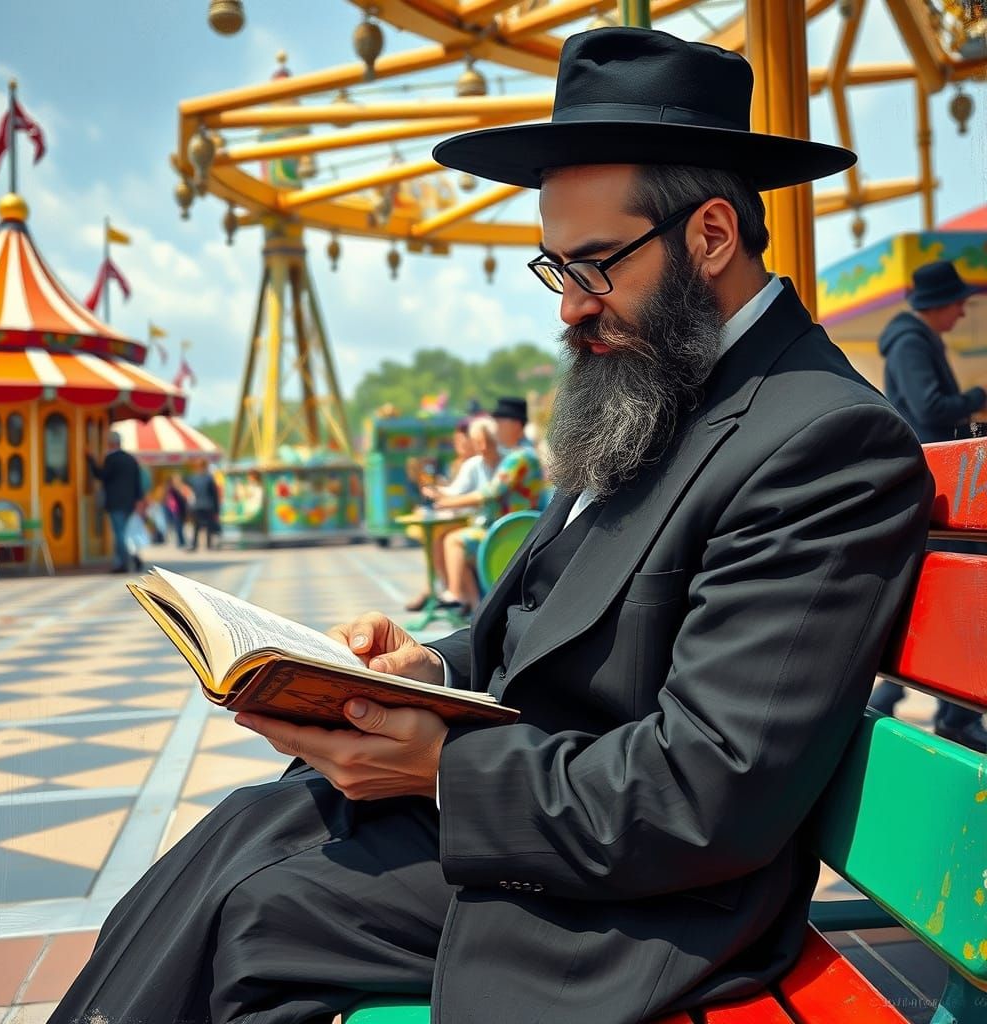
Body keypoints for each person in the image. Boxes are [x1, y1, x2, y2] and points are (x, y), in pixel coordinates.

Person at [49, 28, 934, 1024]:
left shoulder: (822, 439)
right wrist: (427, 671)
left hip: (638, 894)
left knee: (252, 914)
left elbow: (704, 794)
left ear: (712, 236)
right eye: (554, 270)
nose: (569, 311)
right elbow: (547, 630)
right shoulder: (662, 382)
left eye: (592, 266)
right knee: (242, 831)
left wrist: (435, 765)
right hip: (538, 818)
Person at [868, 259, 987, 750]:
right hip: (941, 489)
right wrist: (979, 396)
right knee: (954, 596)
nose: (962, 312)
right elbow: (929, 408)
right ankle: (952, 715)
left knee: (938, 595)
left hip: (939, 488)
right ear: (939, 304)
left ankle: (918, 704)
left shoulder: (912, 339)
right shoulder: (912, 341)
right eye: (959, 302)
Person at [433, 399, 544, 612]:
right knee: (453, 542)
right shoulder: (518, 455)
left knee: (454, 541)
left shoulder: (521, 457)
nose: (496, 428)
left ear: (517, 425)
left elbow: (491, 493)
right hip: (508, 528)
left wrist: (448, 502)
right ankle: (475, 606)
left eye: (501, 423)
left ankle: (456, 594)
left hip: (511, 531)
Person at [404, 416, 504, 612]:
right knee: (441, 541)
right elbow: (458, 492)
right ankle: (468, 602)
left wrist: (444, 500)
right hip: (484, 524)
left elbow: (487, 494)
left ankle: (456, 594)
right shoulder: (475, 464)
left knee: (452, 541)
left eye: (486, 442)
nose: (482, 447)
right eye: (478, 442)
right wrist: (439, 494)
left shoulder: (511, 461)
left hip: (499, 528)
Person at [86, 431, 145, 574]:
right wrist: (138, 500)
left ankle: (127, 561)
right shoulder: (131, 459)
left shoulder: (111, 459)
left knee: (119, 534)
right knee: (123, 533)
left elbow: (101, 475)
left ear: (111, 443)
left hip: (115, 502)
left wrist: (91, 460)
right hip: (129, 503)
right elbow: (138, 482)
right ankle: (125, 561)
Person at [185, 459, 221, 551]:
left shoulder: (193, 478)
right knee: (209, 526)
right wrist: (217, 508)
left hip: (196, 505)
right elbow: (214, 494)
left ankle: (194, 545)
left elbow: (187, 488)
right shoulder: (209, 478)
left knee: (196, 526)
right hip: (208, 505)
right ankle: (209, 545)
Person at [163, 473, 189, 549]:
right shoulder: (173, 489)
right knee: (178, 526)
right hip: (175, 509)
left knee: (179, 526)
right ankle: (181, 541)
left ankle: (181, 541)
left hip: (177, 509)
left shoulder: (178, 488)